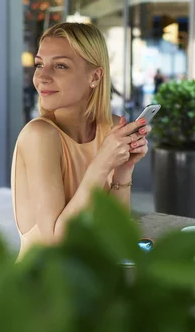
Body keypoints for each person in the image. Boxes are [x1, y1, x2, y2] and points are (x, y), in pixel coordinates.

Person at [11, 22, 152, 261]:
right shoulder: (39, 136)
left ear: (95, 76)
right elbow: (57, 244)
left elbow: (116, 233)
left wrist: (123, 170)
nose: (42, 77)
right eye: (39, 65)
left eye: (60, 66)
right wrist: (102, 164)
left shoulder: (110, 128)